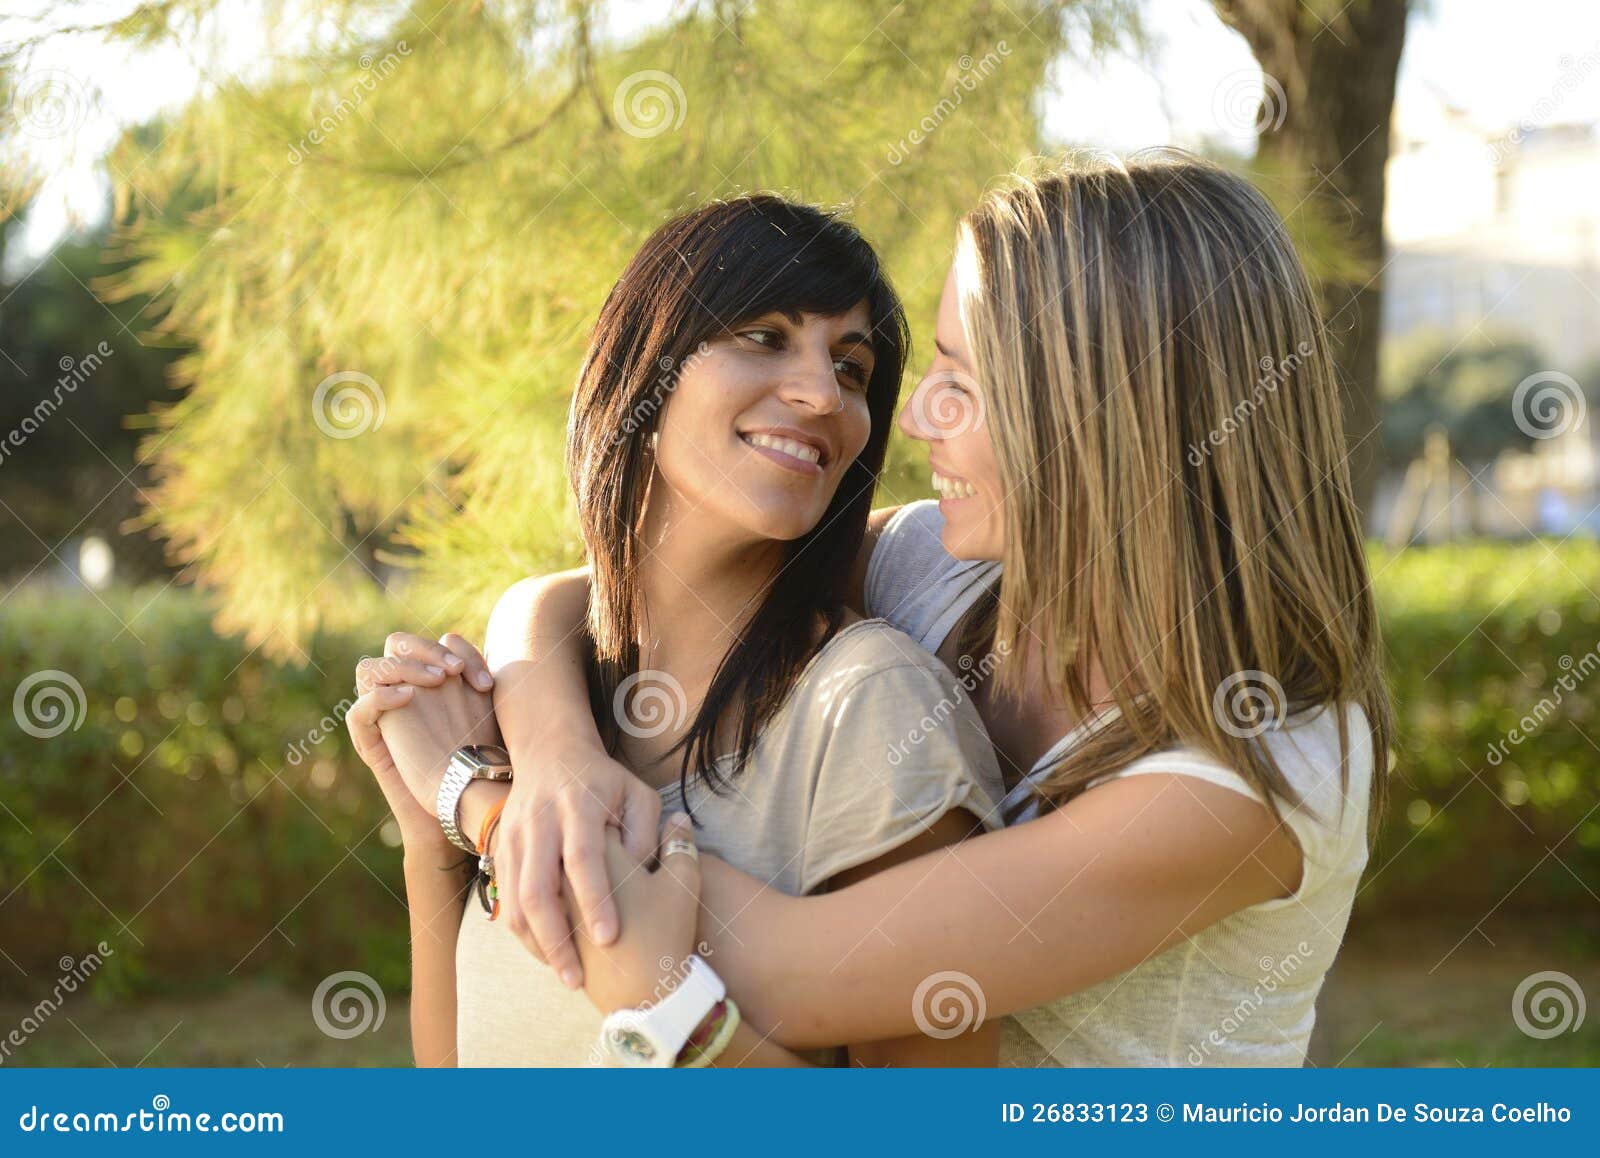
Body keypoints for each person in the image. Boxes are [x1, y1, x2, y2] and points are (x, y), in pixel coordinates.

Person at [360, 151, 1394, 1067]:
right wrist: (556, 759)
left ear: (1107, 415)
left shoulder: (1259, 771)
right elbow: (598, 594)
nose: (906, 415)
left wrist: (477, 799)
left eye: (965, 380)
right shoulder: (943, 577)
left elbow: (786, 968)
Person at [347, 194, 1006, 1067]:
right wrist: (437, 840)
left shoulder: (868, 709)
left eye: (852, 369)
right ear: (641, 366)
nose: (820, 394)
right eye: (765, 336)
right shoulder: (530, 709)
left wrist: (678, 1016)